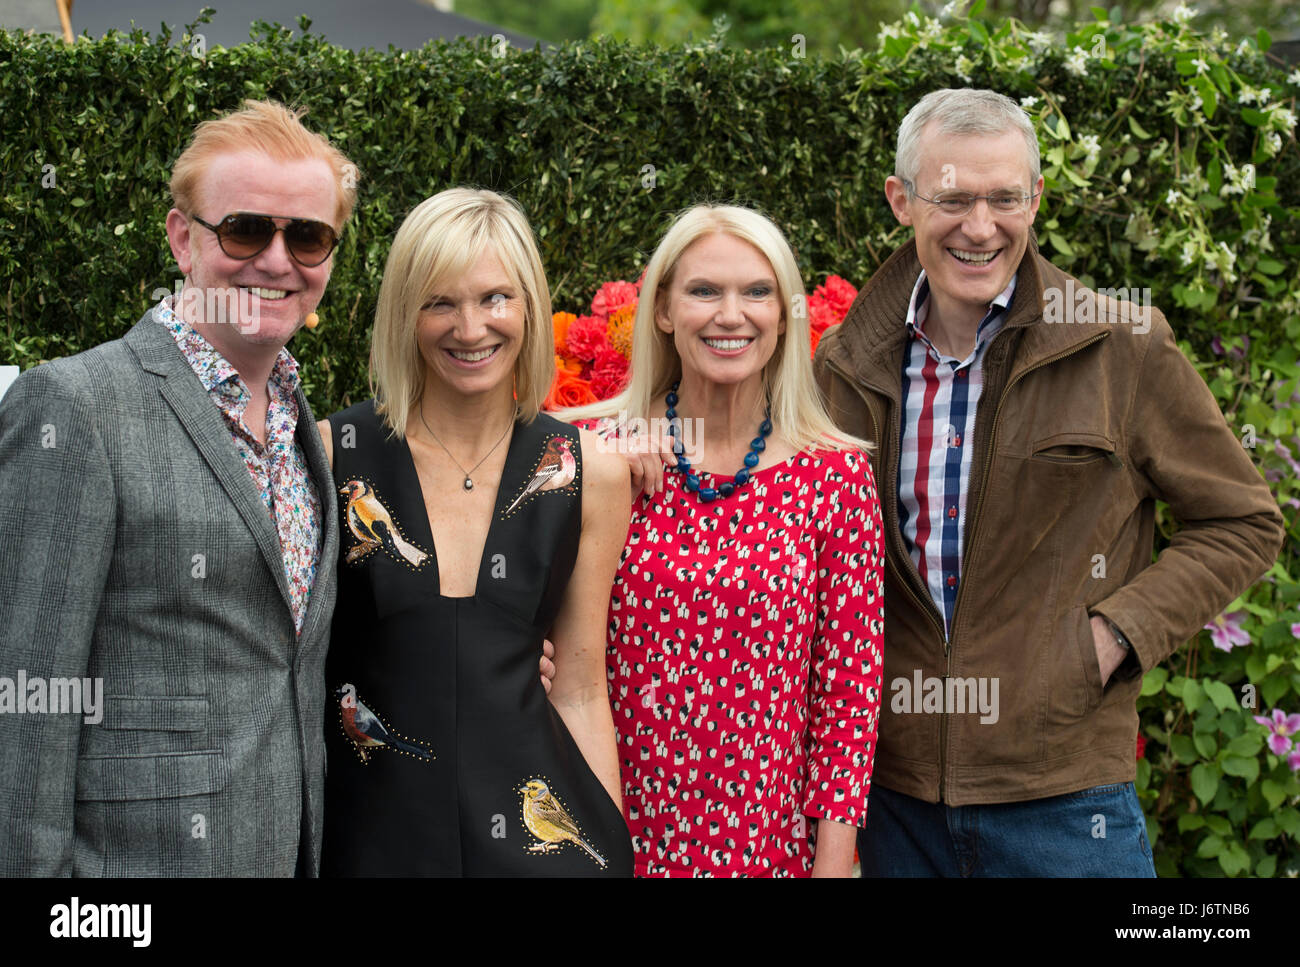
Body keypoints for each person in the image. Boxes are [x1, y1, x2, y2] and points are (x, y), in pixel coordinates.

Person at [813, 88, 1285, 877]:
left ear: (1036, 198)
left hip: (1064, 806)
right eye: (953, 198)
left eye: (1004, 198)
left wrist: (1110, 638)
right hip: (891, 802)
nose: (980, 225)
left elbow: (1242, 520)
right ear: (901, 200)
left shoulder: (1121, 346)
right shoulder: (844, 362)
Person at [0, 100, 355, 875]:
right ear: (181, 239)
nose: (276, 259)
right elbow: (23, 698)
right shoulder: (75, 405)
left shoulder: (306, 432)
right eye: (244, 229)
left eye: (308, 235)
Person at [559, 204, 885, 877]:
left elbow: (848, 696)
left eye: (757, 291)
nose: (731, 314)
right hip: (614, 844)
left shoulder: (835, 474)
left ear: (785, 314)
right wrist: (607, 458)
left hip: (768, 851)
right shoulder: (597, 459)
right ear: (663, 310)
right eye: (704, 290)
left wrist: (829, 869)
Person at [316, 187, 633, 876]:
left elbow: (580, 685)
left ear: (529, 306)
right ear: (406, 311)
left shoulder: (591, 474)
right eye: (440, 302)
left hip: (537, 850)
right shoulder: (334, 452)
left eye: (495, 298)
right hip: (370, 839)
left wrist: (609, 850)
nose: (470, 327)